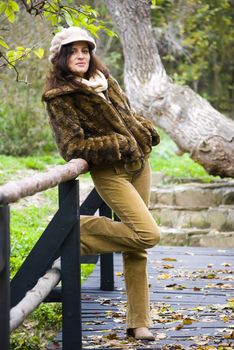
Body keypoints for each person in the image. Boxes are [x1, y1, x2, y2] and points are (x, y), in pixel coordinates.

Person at [42, 26, 161, 341]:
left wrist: (144, 131)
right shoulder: (60, 97)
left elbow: (129, 116)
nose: (80, 56)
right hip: (111, 171)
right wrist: (119, 142)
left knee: (137, 247)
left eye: (85, 50)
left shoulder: (106, 82)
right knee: (146, 234)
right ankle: (73, 230)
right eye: (73, 51)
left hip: (140, 166)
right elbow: (73, 147)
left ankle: (139, 322)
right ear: (61, 57)